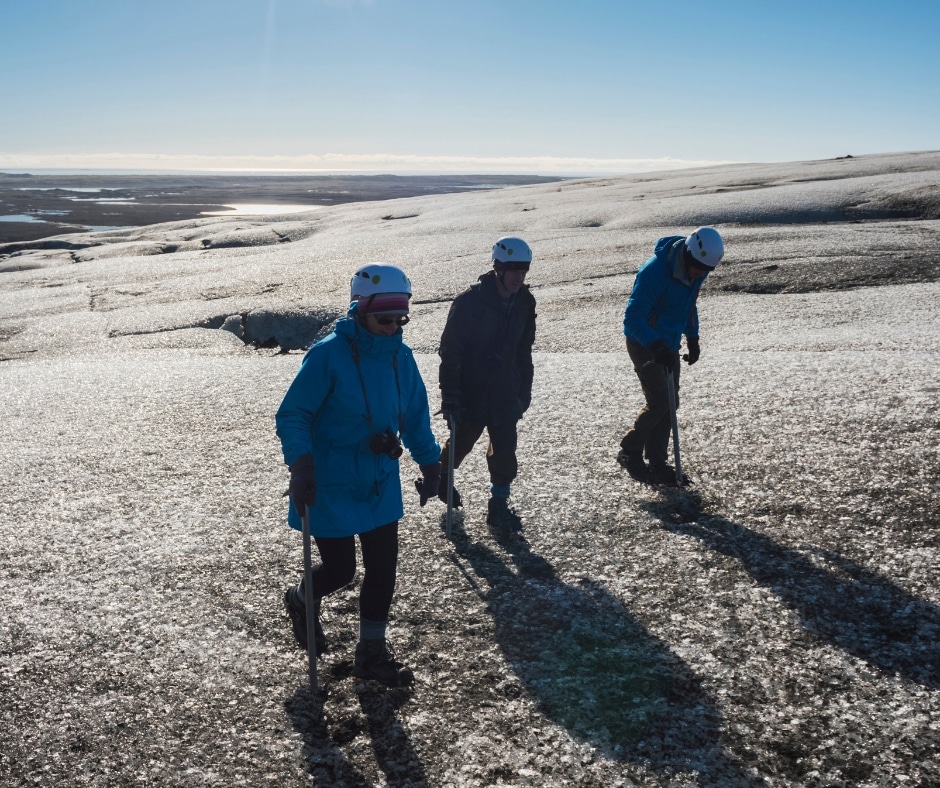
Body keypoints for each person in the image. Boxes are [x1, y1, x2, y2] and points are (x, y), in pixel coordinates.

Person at [276, 263, 441, 687]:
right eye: (384, 318)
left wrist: (431, 463)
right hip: (329, 483)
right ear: (360, 310)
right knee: (340, 571)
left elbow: (416, 417)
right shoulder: (328, 355)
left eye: (400, 318)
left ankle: (371, 651)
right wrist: (302, 463)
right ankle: (299, 599)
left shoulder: (401, 359)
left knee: (383, 570)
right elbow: (294, 413)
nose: (393, 326)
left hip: (379, 481)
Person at [437, 236, 537, 531]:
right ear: (498, 268)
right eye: (514, 270)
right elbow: (451, 351)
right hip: (472, 390)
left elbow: (524, 351)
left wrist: (524, 391)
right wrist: (451, 395)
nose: (519, 277)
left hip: (506, 390)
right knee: (461, 443)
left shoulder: (525, 302)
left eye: (524, 271)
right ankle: (441, 480)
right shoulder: (470, 302)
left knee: (505, 449)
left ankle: (499, 505)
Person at [618, 227, 725, 485]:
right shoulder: (655, 272)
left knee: (671, 402)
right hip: (644, 341)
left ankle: (657, 463)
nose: (701, 274)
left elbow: (688, 305)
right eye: (698, 268)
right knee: (660, 401)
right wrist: (655, 346)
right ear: (687, 255)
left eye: (705, 270)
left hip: (669, 342)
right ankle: (629, 451)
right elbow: (632, 318)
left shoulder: (697, 269)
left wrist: (693, 337)